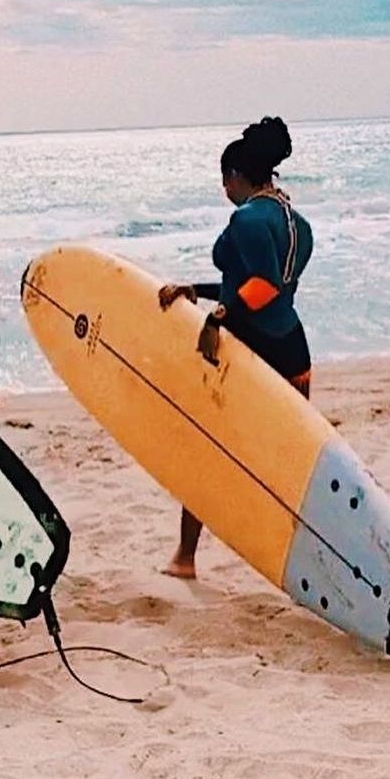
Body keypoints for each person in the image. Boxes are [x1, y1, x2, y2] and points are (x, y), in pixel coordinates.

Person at [157, 116, 313, 579]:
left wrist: (216, 317)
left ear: (234, 176)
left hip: (250, 352)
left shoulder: (245, 219)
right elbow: (269, 288)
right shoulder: (296, 222)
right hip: (293, 353)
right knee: (288, 458)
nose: (223, 189)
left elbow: (260, 286)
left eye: (223, 180)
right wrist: (197, 290)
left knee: (207, 451)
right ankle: (299, 558)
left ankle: (185, 557)